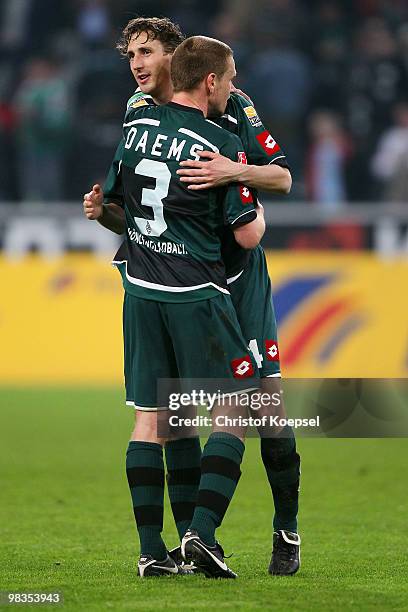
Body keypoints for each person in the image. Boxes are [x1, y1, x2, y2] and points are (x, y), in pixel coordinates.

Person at [83, 16, 301, 576]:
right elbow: (131, 217)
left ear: (176, 59)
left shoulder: (233, 104)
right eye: (130, 53)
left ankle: (286, 532)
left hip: (236, 277)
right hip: (189, 277)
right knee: (178, 409)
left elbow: (281, 178)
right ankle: (193, 541)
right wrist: (105, 212)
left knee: (267, 409)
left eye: (146, 51)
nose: (135, 63)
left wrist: (235, 169)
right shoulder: (139, 113)